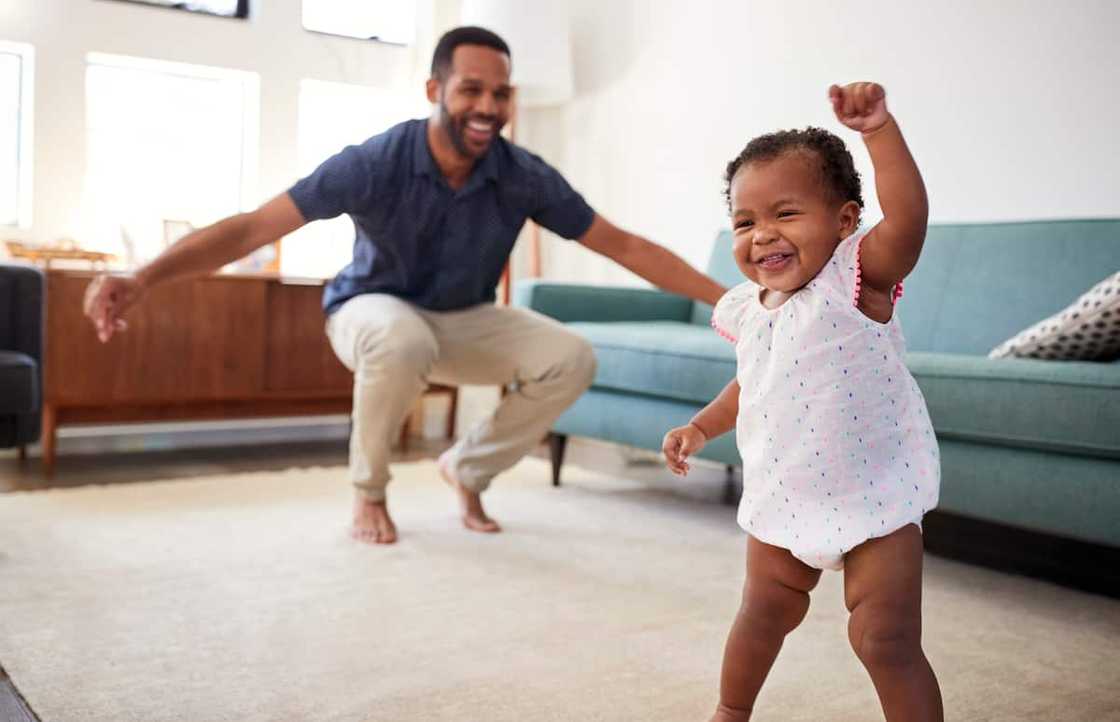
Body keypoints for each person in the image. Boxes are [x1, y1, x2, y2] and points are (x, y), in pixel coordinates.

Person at [83, 26, 725, 545]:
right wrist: (143, 278)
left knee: (571, 356)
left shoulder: (521, 174)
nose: (488, 108)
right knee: (398, 336)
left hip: (462, 317)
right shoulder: (376, 161)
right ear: (433, 88)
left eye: (501, 94)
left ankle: (467, 468)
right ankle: (369, 490)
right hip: (369, 312)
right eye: (471, 89)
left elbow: (624, 245)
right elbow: (253, 227)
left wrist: (727, 300)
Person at [661, 82, 943, 721]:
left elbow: (909, 221)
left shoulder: (855, 281)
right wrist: (701, 428)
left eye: (785, 214)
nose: (762, 235)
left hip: (874, 495)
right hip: (784, 491)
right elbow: (753, 383)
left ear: (845, 222)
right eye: (744, 221)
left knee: (884, 639)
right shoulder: (749, 310)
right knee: (762, 613)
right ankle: (731, 711)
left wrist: (877, 133)